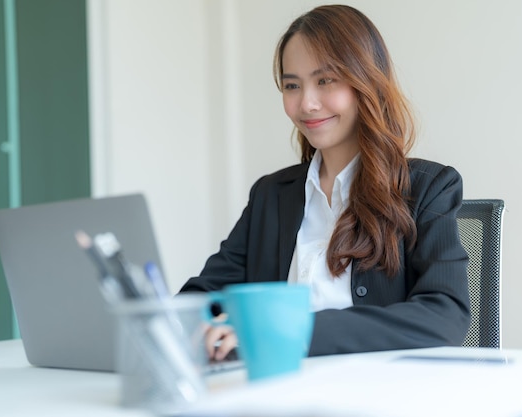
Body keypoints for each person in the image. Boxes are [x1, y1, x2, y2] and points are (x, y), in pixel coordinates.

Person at [179, 4, 470, 360]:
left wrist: (294, 329)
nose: (307, 103)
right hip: (277, 392)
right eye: (292, 85)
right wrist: (200, 324)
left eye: (325, 80)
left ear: (365, 81)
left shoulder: (427, 187)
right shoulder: (271, 195)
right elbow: (203, 297)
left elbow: (446, 316)